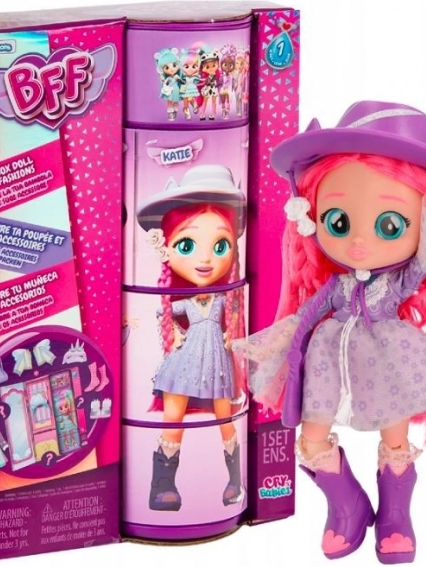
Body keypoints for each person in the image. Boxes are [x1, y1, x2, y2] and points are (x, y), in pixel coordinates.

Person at [236, 101, 426, 563]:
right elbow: (303, 317)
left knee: (395, 440)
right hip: (329, 364)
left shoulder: (399, 283)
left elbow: (421, 267)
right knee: (311, 438)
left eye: (389, 226)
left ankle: (395, 515)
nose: (358, 242)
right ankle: (346, 506)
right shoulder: (334, 286)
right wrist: (271, 345)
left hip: (390, 361)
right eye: (338, 221)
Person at [137, 164, 247, 511]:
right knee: (174, 416)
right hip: (185, 361)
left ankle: (235, 480)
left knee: (225, 418)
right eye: (186, 245)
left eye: (220, 245)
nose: (205, 259)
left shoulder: (224, 298)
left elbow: (232, 317)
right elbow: (163, 313)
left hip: (216, 361)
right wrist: (174, 333)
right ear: (167, 247)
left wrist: (231, 338)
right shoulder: (183, 301)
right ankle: (163, 485)